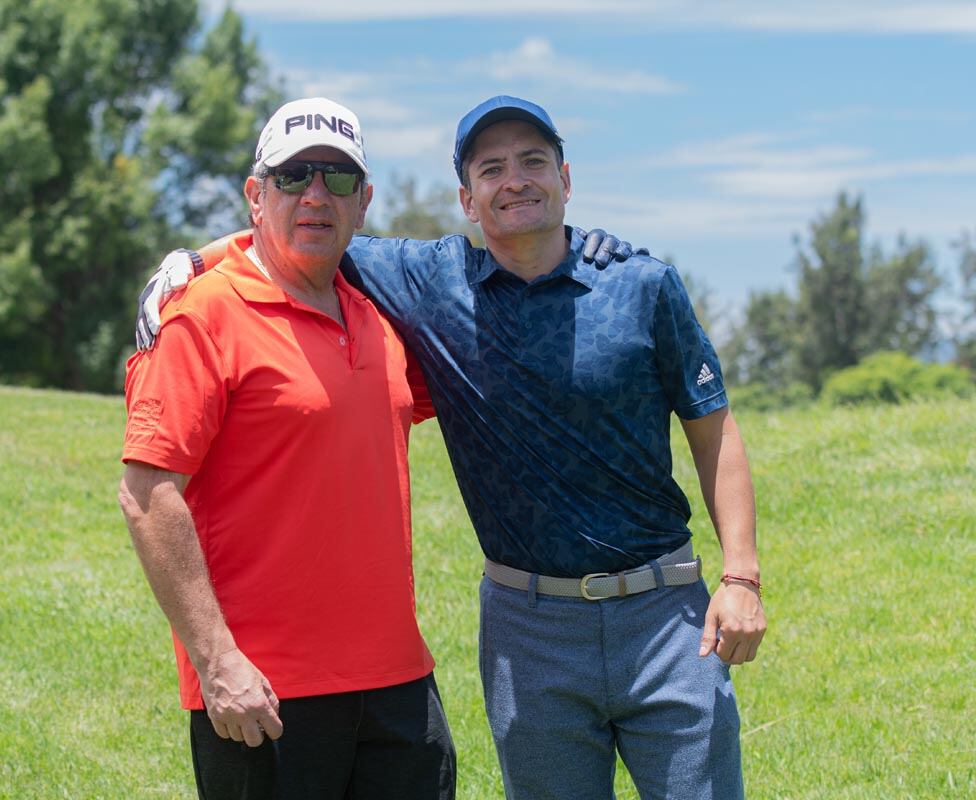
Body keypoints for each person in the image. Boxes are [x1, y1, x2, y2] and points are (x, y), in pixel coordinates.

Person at [140, 95, 759, 800]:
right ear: (467, 199)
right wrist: (193, 258)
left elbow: (715, 426)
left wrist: (742, 576)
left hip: (662, 614)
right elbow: (301, 232)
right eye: (491, 169)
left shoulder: (639, 284)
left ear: (566, 178)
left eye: (533, 162)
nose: (514, 181)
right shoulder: (432, 284)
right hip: (530, 630)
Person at [117, 97, 456, 800]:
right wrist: (216, 663)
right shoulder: (202, 313)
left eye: (336, 179)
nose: (314, 194)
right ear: (254, 194)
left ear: (363, 204)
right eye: (293, 175)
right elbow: (148, 494)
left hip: (398, 687)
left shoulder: (381, 322)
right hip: (262, 694)